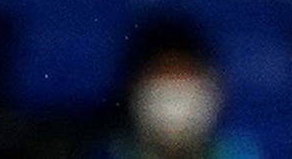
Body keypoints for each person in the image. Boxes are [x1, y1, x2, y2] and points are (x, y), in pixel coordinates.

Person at [92, 25, 252, 159]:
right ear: (135, 91)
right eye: (162, 85)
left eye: (184, 85)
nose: (175, 101)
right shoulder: (102, 152)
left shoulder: (240, 154)